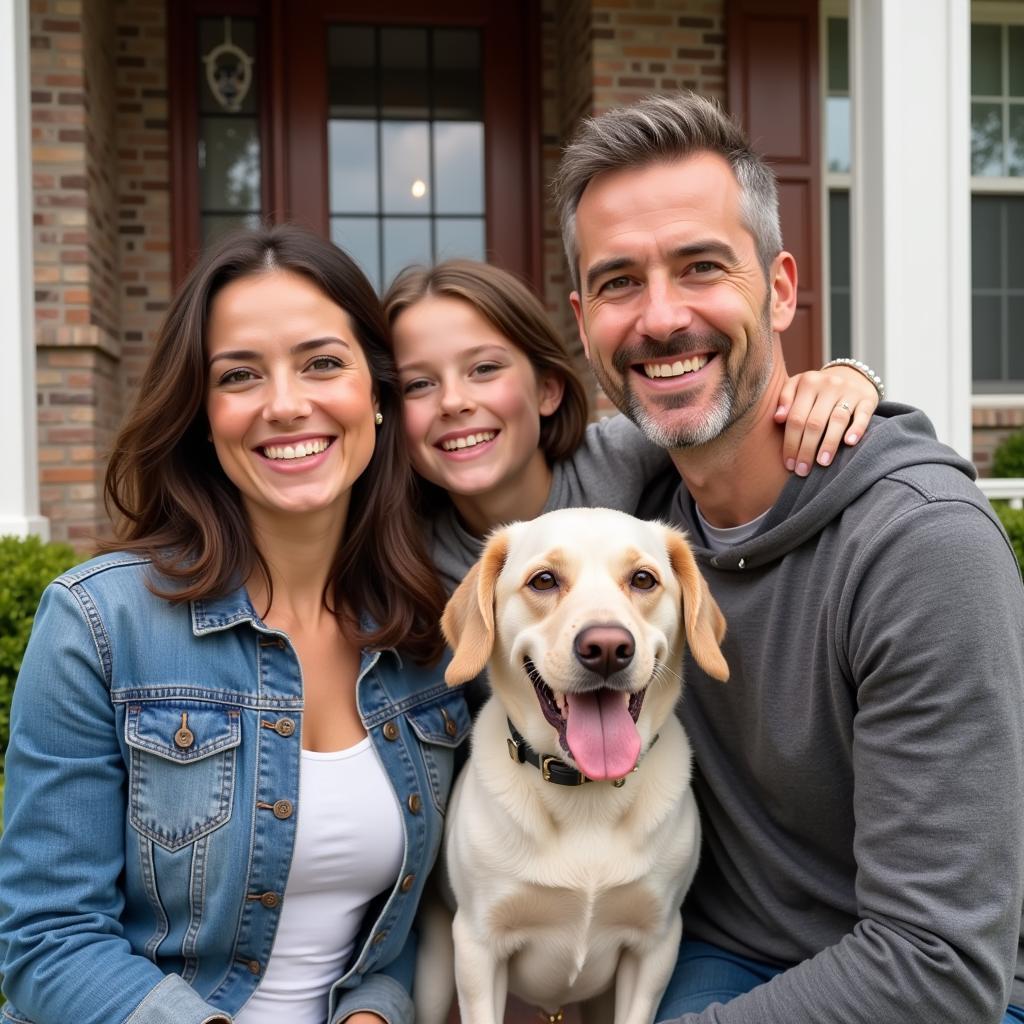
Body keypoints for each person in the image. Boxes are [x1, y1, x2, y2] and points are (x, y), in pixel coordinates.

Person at [552, 91, 1024, 1023]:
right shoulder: (629, 502)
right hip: (728, 949)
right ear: (581, 319)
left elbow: (940, 963)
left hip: (938, 987)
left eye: (701, 267)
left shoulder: (919, 549)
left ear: (779, 287)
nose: (658, 318)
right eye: (618, 283)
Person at [0, 226, 467, 1024]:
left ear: (380, 398)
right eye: (241, 374)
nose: (286, 404)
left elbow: (413, 924)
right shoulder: (98, 626)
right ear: (202, 416)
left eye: (323, 362)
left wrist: (373, 1012)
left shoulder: (436, 634)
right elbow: (49, 940)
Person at [383, 259, 880, 595]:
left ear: (548, 390)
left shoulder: (616, 458)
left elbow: (736, 405)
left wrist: (848, 377)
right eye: (418, 385)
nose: (453, 402)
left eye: (484, 369)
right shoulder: (403, 551)